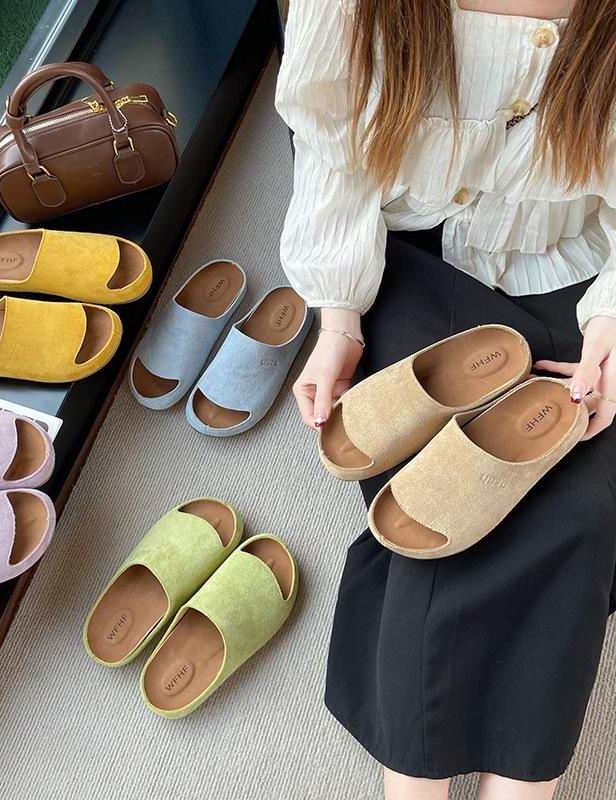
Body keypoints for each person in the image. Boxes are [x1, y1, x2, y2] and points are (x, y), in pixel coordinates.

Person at [275, 1, 616, 798]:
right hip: (410, 245)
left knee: (577, 511)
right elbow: (332, 141)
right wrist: (339, 315)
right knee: (437, 508)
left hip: (574, 259)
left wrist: (613, 316)